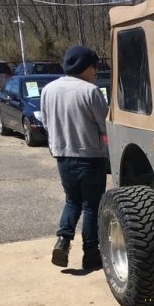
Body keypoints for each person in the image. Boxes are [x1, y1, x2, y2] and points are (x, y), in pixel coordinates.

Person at [41, 45, 109, 270]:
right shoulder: (90, 91)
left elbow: (45, 123)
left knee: (72, 201)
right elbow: (105, 124)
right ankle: (91, 252)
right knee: (91, 205)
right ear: (86, 67)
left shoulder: (48, 90)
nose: (95, 73)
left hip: (63, 156)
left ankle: (63, 239)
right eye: (94, 68)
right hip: (90, 156)